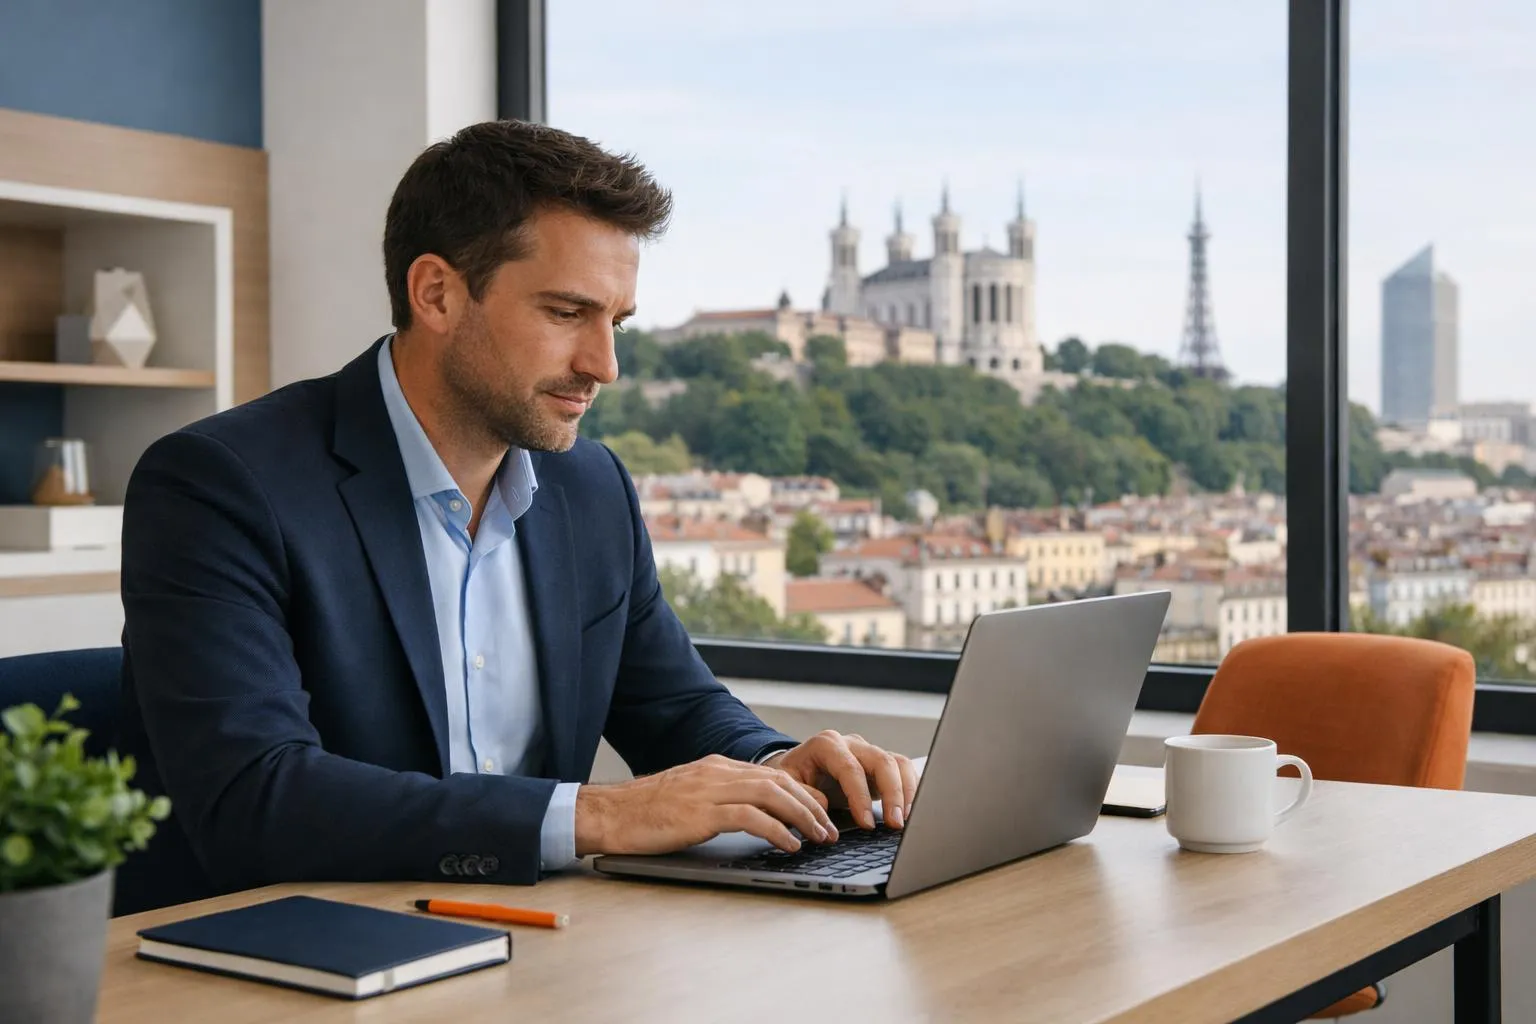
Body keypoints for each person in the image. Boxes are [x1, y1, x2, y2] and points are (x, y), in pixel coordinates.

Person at [116, 120, 916, 909]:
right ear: (436, 293)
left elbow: (674, 706)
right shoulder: (219, 485)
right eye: (568, 313)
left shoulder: (591, 487)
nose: (604, 364)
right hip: (303, 954)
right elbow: (255, 799)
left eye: (617, 322)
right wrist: (599, 813)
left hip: (535, 945)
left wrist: (778, 768)